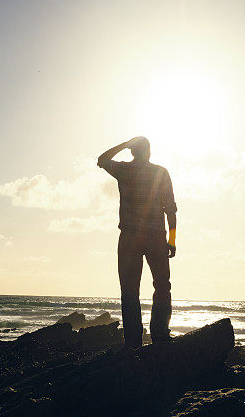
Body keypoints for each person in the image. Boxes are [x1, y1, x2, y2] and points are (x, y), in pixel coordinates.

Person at [97, 136, 177, 349]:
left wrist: (124, 144)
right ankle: (160, 335)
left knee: (130, 291)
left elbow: (101, 159)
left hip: (130, 238)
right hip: (156, 238)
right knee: (162, 286)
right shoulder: (160, 172)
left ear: (132, 152)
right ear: (149, 151)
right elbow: (171, 208)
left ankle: (133, 342)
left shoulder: (124, 170)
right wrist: (172, 239)